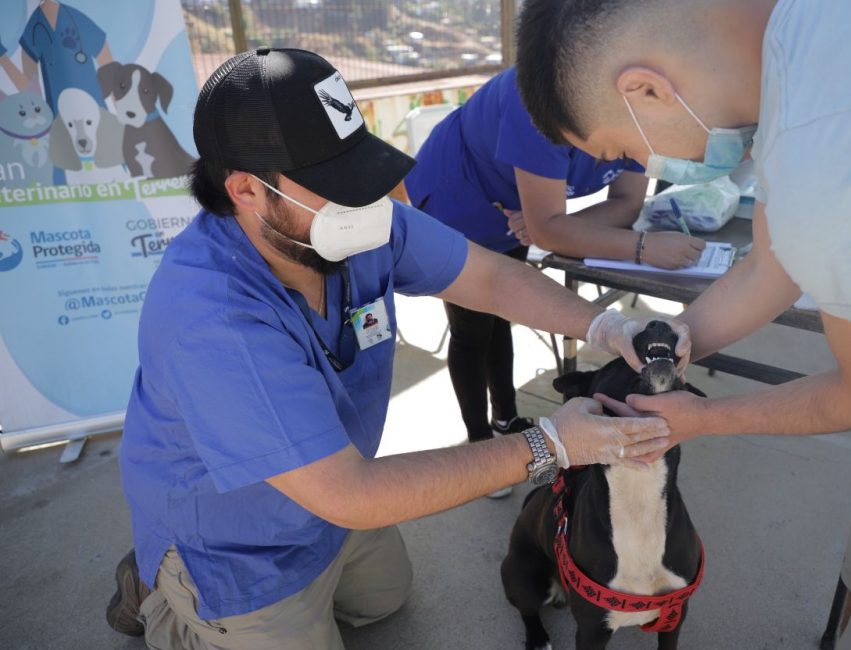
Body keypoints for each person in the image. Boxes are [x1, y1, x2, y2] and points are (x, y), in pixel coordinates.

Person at [105, 48, 677, 650]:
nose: (365, 202)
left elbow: (488, 277)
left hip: (328, 502)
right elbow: (352, 494)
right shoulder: (212, 318)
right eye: (333, 184)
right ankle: (161, 593)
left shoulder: (350, 224)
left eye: (358, 171)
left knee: (386, 597)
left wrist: (607, 327)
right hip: (238, 541)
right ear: (248, 189)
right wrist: (550, 444)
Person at [516, 0, 851, 647]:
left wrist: (699, 417)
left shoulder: (830, 146)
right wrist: (672, 339)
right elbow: (768, 267)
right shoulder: (805, 49)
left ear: (646, 89)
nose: (643, 162)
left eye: (625, 147)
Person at [405, 67, 704, 492]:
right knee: (472, 326)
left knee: (500, 312)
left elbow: (624, 203)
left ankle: (505, 419)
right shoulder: (541, 102)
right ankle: (478, 442)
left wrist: (555, 225)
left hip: (515, 208)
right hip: (462, 195)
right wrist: (567, 230)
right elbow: (552, 230)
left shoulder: (642, 112)